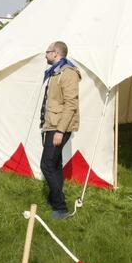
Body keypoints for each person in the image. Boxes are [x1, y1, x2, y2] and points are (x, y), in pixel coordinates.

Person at [39, 41, 80, 220]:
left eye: (47, 52)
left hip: (59, 126)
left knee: (46, 164)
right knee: (54, 164)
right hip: (52, 124)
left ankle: (61, 208)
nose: (45, 55)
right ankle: (53, 198)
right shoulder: (56, 72)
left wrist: (60, 131)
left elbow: (71, 104)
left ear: (55, 53)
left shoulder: (68, 73)